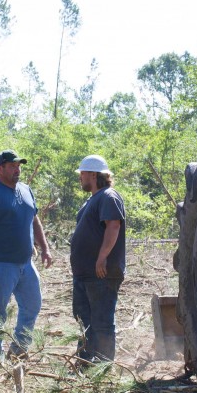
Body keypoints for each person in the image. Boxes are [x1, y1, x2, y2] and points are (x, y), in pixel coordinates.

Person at [0, 149, 53, 355]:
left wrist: (44, 248)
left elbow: (34, 220)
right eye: (12, 166)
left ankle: (19, 349)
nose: (17, 170)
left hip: (26, 263)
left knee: (33, 305)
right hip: (0, 264)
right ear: (0, 169)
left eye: (19, 166)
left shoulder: (26, 190)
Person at [70, 154, 126, 363]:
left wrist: (102, 257)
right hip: (85, 274)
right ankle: (85, 362)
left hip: (101, 274)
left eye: (82, 173)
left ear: (93, 174)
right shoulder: (92, 200)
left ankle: (103, 366)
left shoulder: (108, 197)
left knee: (101, 321)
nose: (80, 178)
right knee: (85, 321)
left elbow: (113, 226)